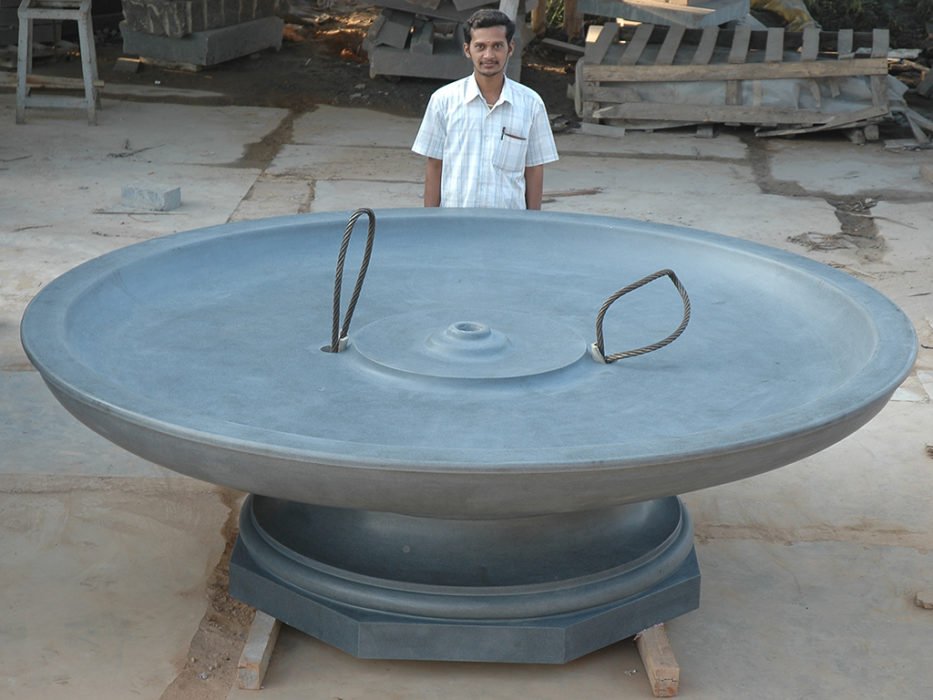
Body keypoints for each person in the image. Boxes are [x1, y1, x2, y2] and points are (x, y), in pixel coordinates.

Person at [411, 9, 559, 210]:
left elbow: (534, 169)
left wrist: (532, 222)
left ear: (510, 48)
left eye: (497, 46)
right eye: (480, 46)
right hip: (455, 221)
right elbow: (435, 165)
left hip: (509, 222)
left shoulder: (531, 104)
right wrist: (431, 221)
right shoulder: (443, 101)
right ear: (467, 50)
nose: (488, 55)